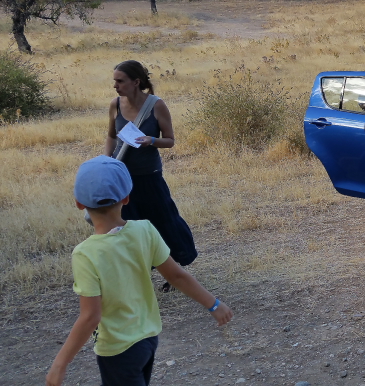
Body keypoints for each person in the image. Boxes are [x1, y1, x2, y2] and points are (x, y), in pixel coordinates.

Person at [47, 156, 232, 386]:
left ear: (78, 203)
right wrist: (214, 304)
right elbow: (177, 275)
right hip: (148, 339)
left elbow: (90, 316)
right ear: (126, 197)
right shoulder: (145, 230)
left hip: (118, 350)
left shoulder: (85, 254)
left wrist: (60, 364)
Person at [106, 60, 197, 270]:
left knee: (164, 222)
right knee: (128, 226)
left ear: (136, 82)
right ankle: (141, 270)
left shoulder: (156, 105)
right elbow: (111, 137)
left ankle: (175, 269)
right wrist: (107, 162)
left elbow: (170, 140)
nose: (115, 85)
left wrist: (152, 140)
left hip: (149, 176)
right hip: (123, 177)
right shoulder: (115, 104)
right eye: (115, 81)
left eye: (120, 81)